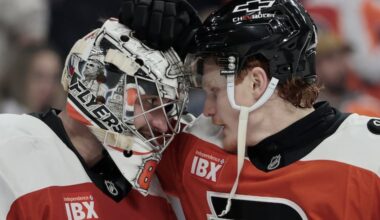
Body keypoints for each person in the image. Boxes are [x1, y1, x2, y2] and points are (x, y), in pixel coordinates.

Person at [119, 0, 380, 219]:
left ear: (256, 83)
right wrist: (130, 44)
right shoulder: (192, 145)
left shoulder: (369, 158)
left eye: (214, 91)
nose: (207, 110)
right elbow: (99, 137)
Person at [0, 18, 189, 219]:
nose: (162, 124)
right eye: (150, 102)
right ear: (101, 88)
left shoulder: (152, 186)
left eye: (166, 107)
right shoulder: (9, 147)